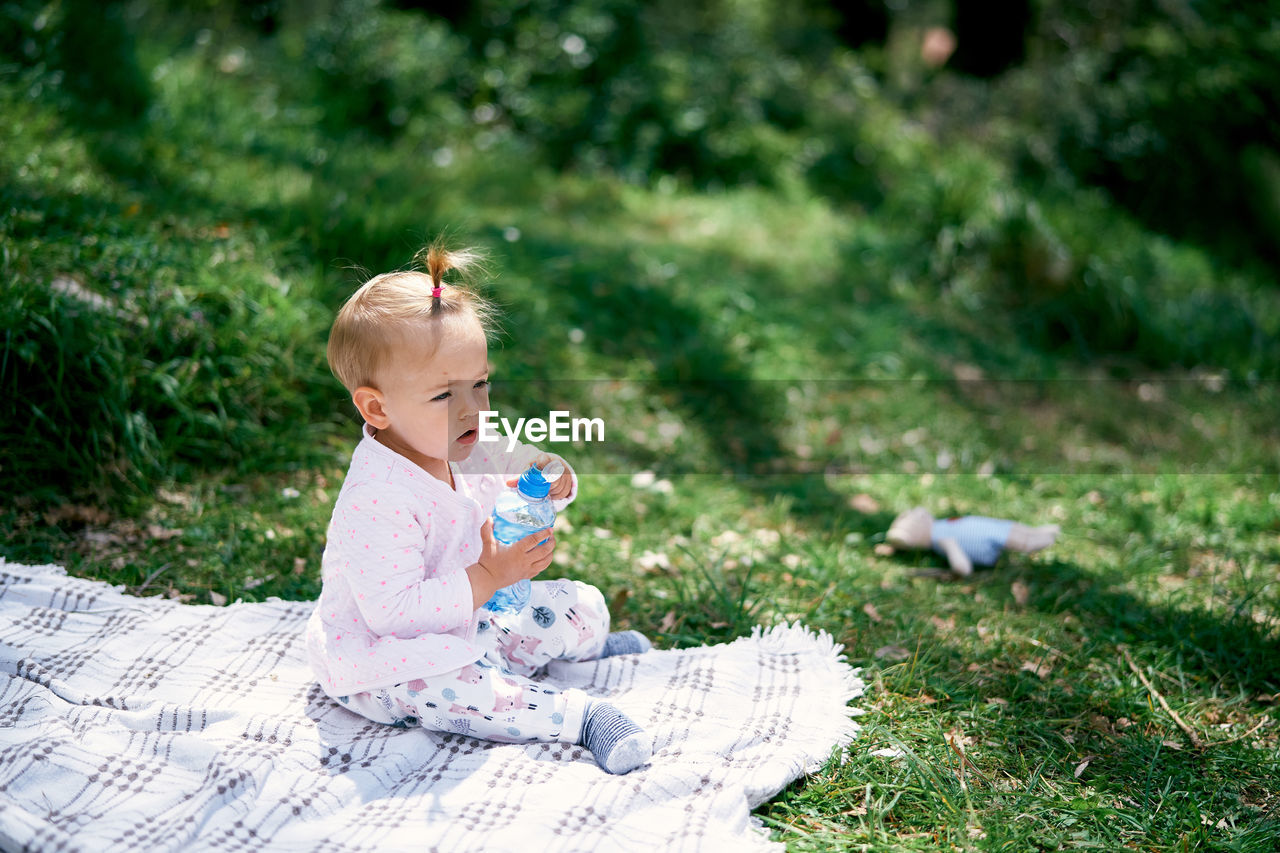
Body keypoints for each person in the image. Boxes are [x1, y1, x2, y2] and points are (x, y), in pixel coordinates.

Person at [305, 242, 653, 774]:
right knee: (452, 688)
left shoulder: (467, 438)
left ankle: (577, 649)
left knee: (578, 604)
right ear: (378, 407)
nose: (474, 409)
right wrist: (488, 575)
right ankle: (576, 717)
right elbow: (392, 613)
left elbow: (521, 464)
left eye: (481, 384)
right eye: (446, 395)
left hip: (473, 616)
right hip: (390, 658)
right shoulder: (376, 498)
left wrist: (553, 475)